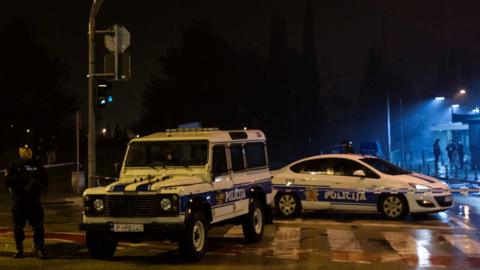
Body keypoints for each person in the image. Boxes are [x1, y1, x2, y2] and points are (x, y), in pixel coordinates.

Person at [4, 143, 48, 259]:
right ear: (20, 151)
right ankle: (19, 250)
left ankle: (40, 250)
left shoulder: (37, 164)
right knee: (18, 227)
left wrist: (36, 185)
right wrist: (19, 180)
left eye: (29, 150)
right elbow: (7, 182)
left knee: (38, 227)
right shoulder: (14, 165)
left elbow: (45, 182)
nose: (27, 151)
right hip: (20, 201)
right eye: (24, 150)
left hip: (34, 201)